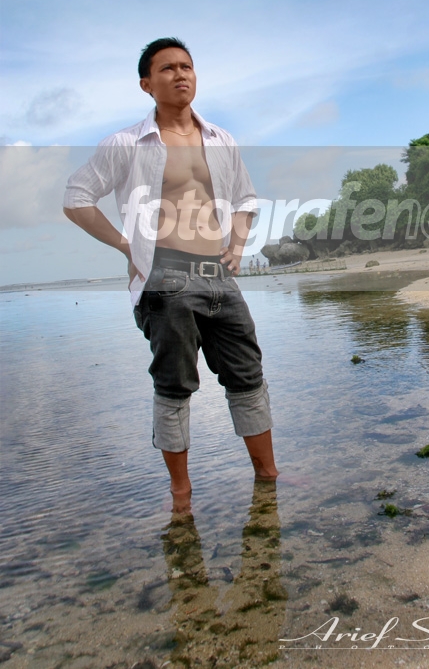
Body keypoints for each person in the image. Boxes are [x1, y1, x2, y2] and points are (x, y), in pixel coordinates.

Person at [63, 37, 278, 512]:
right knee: (175, 386)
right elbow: (76, 198)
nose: (180, 74)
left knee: (248, 376)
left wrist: (237, 245)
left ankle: (268, 476)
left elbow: (246, 199)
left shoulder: (221, 139)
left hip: (220, 277)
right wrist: (127, 245)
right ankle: (181, 495)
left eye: (187, 66)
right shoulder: (126, 144)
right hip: (165, 278)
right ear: (146, 84)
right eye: (167, 68)